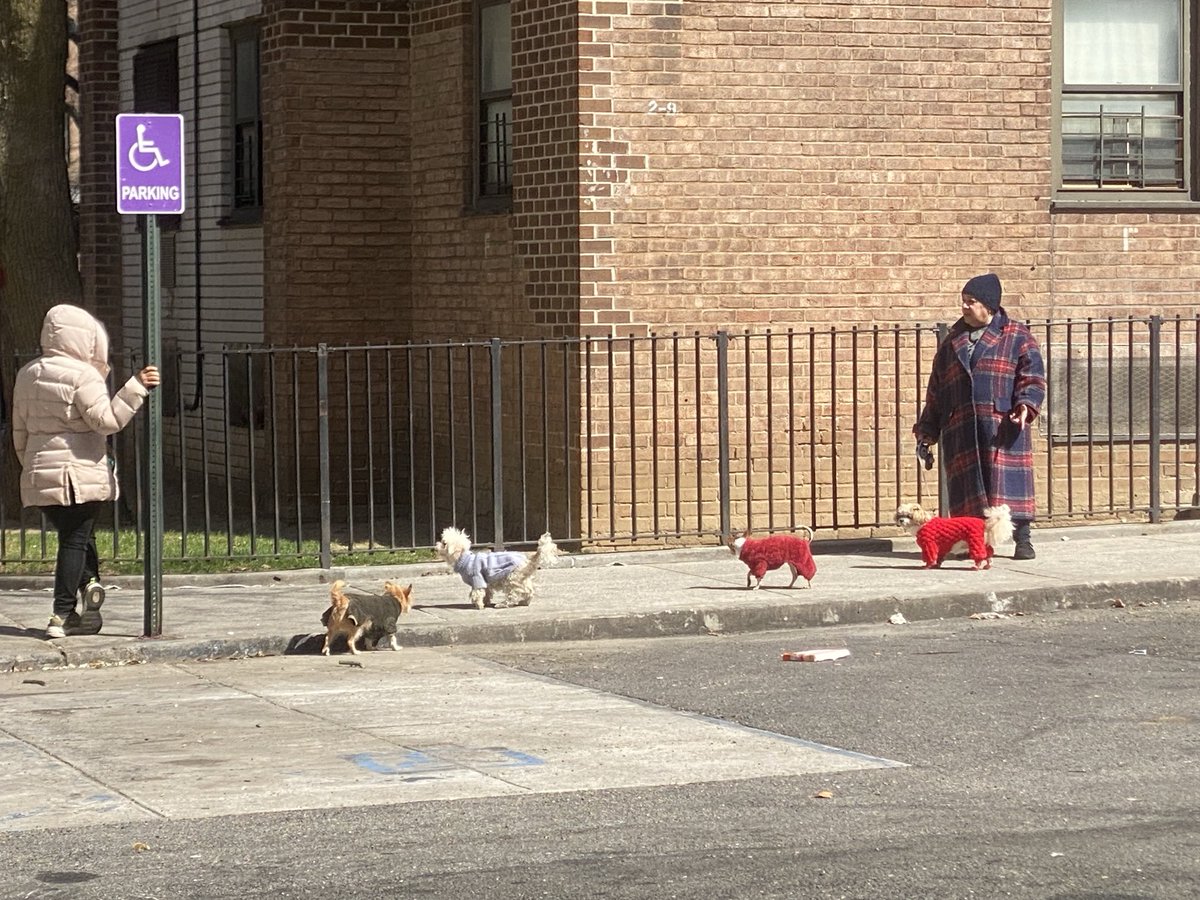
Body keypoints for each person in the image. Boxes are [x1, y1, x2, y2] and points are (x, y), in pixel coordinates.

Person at [10, 304, 160, 638]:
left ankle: (90, 584)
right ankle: (62, 614)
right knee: (75, 540)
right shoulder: (83, 375)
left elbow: (19, 432)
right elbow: (107, 421)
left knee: (77, 534)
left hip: (40, 473)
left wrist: (31, 466)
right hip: (79, 474)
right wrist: (135, 387)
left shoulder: (27, 373)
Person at [913, 273, 1046, 560]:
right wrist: (928, 429)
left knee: (1010, 488)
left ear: (989, 305)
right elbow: (937, 388)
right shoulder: (952, 341)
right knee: (967, 489)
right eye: (963, 301)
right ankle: (968, 543)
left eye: (970, 302)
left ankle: (1023, 540)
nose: (964, 307)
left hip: (1002, 424)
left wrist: (1026, 405)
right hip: (961, 425)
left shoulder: (1017, 336)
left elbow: (1032, 378)